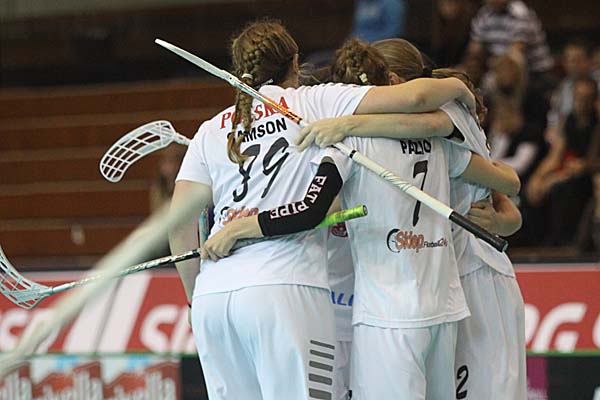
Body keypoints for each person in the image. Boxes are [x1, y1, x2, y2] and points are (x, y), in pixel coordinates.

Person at [169, 21, 478, 400]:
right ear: (295, 63)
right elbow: (416, 98)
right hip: (285, 288)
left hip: (213, 298)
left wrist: (194, 298)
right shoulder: (314, 102)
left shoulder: (208, 131)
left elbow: (179, 227)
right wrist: (460, 87)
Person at [296, 38, 526, 399]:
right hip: (441, 279)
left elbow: (505, 182)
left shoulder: (444, 110)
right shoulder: (394, 130)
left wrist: (346, 125)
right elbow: (503, 183)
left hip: (476, 272)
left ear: (394, 82)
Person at [527, 77, 599, 246]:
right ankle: (535, 241)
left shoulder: (596, 124)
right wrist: (538, 178)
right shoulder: (570, 121)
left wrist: (555, 178)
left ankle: (562, 242)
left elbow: (587, 163)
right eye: (579, 97)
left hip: (588, 174)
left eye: (587, 98)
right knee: (531, 189)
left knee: (560, 189)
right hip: (570, 169)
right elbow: (556, 155)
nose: (582, 103)